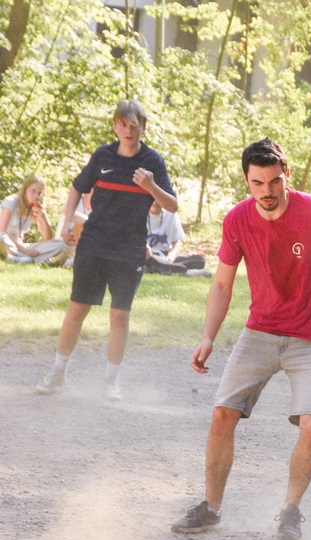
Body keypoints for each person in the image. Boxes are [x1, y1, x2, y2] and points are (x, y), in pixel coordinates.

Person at [171, 138, 311, 540]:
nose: (267, 191)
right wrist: (208, 337)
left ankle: (290, 512)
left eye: (274, 181)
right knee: (221, 415)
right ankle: (210, 508)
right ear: (247, 181)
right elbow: (223, 284)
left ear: (286, 176)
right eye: (258, 183)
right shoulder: (237, 220)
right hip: (260, 332)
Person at [35, 101, 177, 400]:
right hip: (94, 243)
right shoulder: (102, 156)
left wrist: (151, 186)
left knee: (119, 316)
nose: (129, 130)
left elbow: (172, 206)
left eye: (134, 124)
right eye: (123, 124)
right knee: (78, 308)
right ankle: (57, 372)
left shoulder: (153, 161)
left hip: (129, 248)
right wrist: (65, 222)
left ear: (143, 127)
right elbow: (77, 187)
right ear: (115, 126)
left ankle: (110, 381)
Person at [0, 174, 68, 265]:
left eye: (39, 193)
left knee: (61, 244)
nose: (36, 195)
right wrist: (23, 249)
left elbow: (48, 238)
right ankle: (26, 258)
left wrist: (44, 216)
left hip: (20, 246)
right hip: (7, 242)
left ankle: (21, 258)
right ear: (25, 190)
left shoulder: (34, 208)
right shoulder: (11, 201)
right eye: (33, 191)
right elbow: (2, 230)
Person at [144, 201, 211, 277]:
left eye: (158, 199)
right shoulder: (139, 213)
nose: (155, 202)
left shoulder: (171, 214)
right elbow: (132, 237)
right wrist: (144, 245)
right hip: (147, 255)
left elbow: (177, 242)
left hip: (164, 255)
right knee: (144, 261)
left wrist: (172, 255)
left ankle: (164, 267)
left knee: (200, 260)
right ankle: (187, 272)